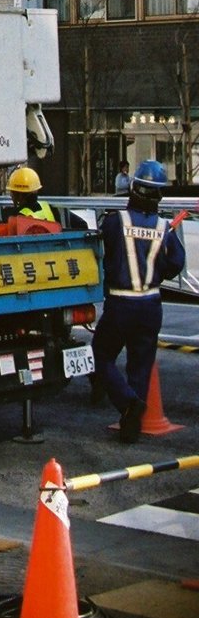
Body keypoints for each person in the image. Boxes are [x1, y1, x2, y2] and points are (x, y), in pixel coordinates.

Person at [92, 160, 185, 442]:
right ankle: (132, 427)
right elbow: (177, 263)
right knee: (141, 365)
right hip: (151, 304)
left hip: (121, 303)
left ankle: (127, 403)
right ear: (159, 195)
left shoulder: (114, 221)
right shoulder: (164, 227)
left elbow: (101, 253)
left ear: (133, 188)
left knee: (101, 354)